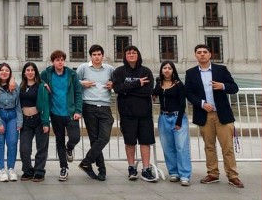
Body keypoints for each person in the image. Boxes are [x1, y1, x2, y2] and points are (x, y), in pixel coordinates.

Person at [185, 44, 243, 188]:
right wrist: (202, 103)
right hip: (205, 114)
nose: (202, 54)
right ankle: (213, 173)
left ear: (210, 54)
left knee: (227, 147)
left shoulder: (221, 70)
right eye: (199, 52)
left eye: (205, 52)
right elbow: (189, 93)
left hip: (223, 114)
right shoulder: (190, 73)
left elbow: (234, 88)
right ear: (196, 56)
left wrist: (223, 86)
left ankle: (233, 175)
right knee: (209, 146)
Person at [112, 45, 156, 182]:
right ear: (125, 56)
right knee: (129, 141)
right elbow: (117, 89)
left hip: (145, 113)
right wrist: (137, 83)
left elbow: (148, 91)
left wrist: (127, 89)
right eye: (128, 53)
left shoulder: (146, 71)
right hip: (127, 113)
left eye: (134, 52)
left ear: (138, 55)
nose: (131, 55)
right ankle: (131, 167)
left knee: (145, 141)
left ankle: (146, 168)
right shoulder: (119, 71)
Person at [40, 50, 83, 182]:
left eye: (62, 60)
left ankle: (69, 148)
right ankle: (63, 168)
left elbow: (78, 92)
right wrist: (43, 84)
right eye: (57, 60)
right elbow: (38, 83)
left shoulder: (71, 74)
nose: (60, 62)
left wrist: (78, 110)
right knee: (59, 140)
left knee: (75, 137)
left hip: (70, 113)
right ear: (53, 61)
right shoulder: (46, 73)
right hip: (55, 113)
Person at [76, 44, 115, 181]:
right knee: (94, 139)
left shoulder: (110, 69)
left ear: (102, 56)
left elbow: (117, 82)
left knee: (104, 138)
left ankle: (86, 161)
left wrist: (113, 85)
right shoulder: (83, 68)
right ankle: (102, 170)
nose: (97, 57)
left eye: (99, 54)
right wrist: (83, 84)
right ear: (90, 56)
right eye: (94, 55)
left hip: (105, 107)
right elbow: (74, 82)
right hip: (89, 107)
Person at [153, 60, 192, 186]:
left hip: (177, 117)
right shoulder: (159, 83)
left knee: (181, 147)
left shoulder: (179, 84)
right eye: (164, 68)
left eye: (169, 68)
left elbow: (182, 103)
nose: (167, 70)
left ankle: (185, 174)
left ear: (173, 70)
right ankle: (173, 172)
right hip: (164, 117)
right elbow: (154, 95)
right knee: (167, 147)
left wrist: (179, 120)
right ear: (161, 70)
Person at [0, 62, 22, 182]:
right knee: (0, 142)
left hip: (12, 115)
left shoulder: (15, 86)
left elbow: (18, 105)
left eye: (7, 70)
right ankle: (1, 169)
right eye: (1, 70)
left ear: (10, 73)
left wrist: (19, 121)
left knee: (12, 142)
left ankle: (11, 168)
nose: (4, 72)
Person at [18, 62, 49, 182]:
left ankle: (39, 171)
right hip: (25, 121)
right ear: (24, 73)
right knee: (24, 148)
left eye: (32, 70)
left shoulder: (41, 86)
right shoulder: (21, 87)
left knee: (41, 147)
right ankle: (28, 170)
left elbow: (45, 104)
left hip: (39, 119)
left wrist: (46, 122)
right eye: (27, 70)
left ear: (35, 72)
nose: (30, 72)